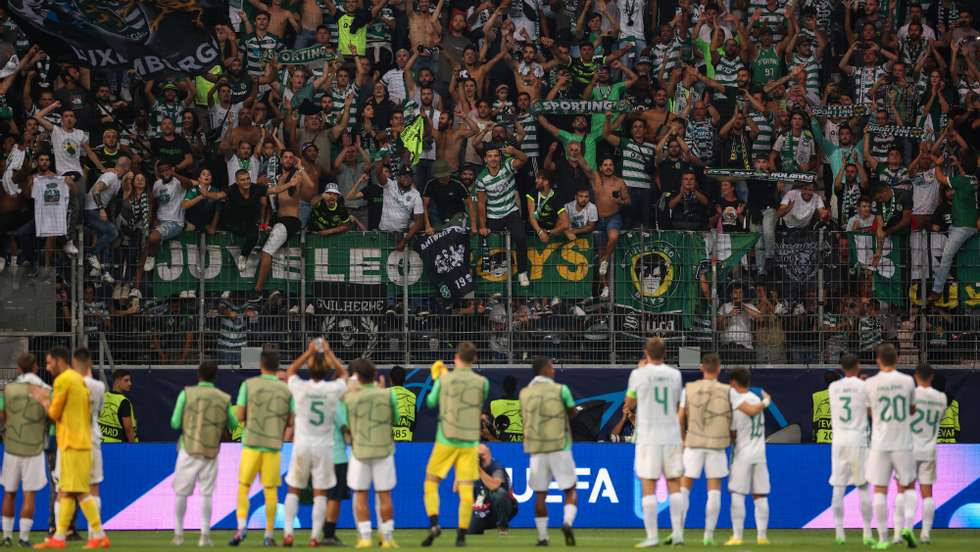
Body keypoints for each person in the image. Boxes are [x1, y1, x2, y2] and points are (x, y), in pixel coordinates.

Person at [676, 353, 768, 546]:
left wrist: (682, 439)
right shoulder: (729, 391)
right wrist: (766, 401)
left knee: (684, 488)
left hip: (693, 443)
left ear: (701, 367)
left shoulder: (689, 389)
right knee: (714, 491)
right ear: (718, 369)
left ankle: (678, 533)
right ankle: (708, 536)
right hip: (717, 445)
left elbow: (680, 417)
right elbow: (751, 411)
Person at [29, 347, 108, 549]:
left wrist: (43, 399)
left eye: (48, 362)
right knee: (68, 491)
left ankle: (96, 534)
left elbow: (54, 414)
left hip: (72, 443)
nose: (47, 367)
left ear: (59, 360)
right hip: (81, 441)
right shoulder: (81, 381)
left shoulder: (64, 380)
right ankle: (61, 537)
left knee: (76, 491)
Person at [421, 341, 490, 548]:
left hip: (446, 439)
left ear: (455, 358)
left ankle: (434, 522)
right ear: (475, 359)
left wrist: (437, 379)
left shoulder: (445, 379)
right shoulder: (482, 382)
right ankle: (461, 535)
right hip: (469, 442)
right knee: (467, 488)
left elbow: (431, 403)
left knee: (431, 482)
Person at [282, 339, 348, 547]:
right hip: (324, 448)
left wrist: (308, 352)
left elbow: (291, 370)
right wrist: (328, 353)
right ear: (326, 370)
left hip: (302, 445)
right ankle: (313, 536)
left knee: (294, 488)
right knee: (320, 492)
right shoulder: (331, 390)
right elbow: (344, 374)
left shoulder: (300, 387)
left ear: (309, 369)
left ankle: (288, 532)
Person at [229, 345, 294, 547]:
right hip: (273, 445)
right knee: (270, 490)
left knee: (244, 486)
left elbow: (239, 416)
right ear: (277, 367)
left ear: (261, 365)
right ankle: (268, 534)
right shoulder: (285, 389)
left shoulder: (248, 385)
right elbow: (291, 421)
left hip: (251, 444)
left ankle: (241, 528)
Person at [170, 360, 239, 547]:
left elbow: (175, 423)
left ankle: (178, 535)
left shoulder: (186, 394)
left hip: (188, 449)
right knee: (207, 494)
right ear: (215, 376)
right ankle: (204, 536)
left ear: (198, 375)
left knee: (181, 493)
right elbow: (233, 426)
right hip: (211, 451)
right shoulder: (224, 398)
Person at [623, 337, 684, 548]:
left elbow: (629, 402)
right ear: (665, 353)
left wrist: (642, 371)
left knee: (648, 485)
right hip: (671, 435)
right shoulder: (675, 374)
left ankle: (652, 536)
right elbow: (675, 402)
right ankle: (677, 533)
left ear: (645, 353)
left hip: (648, 436)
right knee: (674, 484)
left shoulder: (638, 375)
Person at [520, 357, 578, 547]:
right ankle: (567, 522)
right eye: (552, 367)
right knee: (570, 490)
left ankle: (543, 537)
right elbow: (571, 411)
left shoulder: (525, 393)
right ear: (545, 370)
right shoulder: (561, 390)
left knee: (540, 495)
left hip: (537, 449)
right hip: (560, 446)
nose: (554, 370)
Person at [865, 344, 917, 549]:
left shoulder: (870, 383)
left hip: (880, 443)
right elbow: (912, 409)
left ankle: (883, 538)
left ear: (878, 360)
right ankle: (905, 530)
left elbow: (868, 411)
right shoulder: (907, 381)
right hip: (903, 442)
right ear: (897, 358)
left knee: (879, 489)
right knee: (907, 487)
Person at [344, 358, 400, 548]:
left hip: (360, 451)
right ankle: (388, 538)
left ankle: (366, 538)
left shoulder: (350, 397)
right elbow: (397, 418)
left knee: (360, 494)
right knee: (384, 495)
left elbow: (344, 423)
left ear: (356, 376)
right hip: (384, 450)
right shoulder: (386, 395)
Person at [0, 353, 50, 547]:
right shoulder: (44, 390)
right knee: (29, 494)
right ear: (36, 367)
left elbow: (2, 416)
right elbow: (52, 414)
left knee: (9, 493)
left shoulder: (8, 390)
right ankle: (24, 537)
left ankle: (6, 536)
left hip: (12, 446)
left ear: (19, 368)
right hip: (35, 448)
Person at [827, 354, 874, 545]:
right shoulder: (864, 387)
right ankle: (867, 532)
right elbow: (871, 411)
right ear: (857, 365)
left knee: (838, 487)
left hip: (839, 439)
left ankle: (839, 532)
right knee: (862, 486)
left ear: (841, 367)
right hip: (857, 438)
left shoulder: (833, 387)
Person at [725, 368, 772, 547]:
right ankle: (762, 536)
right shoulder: (757, 400)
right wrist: (767, 401)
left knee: (738, 493)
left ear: (735, 383)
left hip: (742, 454)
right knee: (760, 495)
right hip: (759, 453)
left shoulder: (738, 404)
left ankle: (737, 535)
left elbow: (733, 433)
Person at [476, 143, 531, 287]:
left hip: (511, 211)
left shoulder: (507, 165)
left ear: (499, 157)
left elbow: (524, 159)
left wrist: (514, 151)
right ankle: (486, 279)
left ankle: (522, 272)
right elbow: (481, 204)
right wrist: (482, 226)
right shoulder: (481, 179)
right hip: (493, 215)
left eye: (495, 156)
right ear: (485, 159)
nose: (493, 159)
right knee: (490, 244)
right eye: (490, 156)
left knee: (520, 238)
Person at [928, 151, 978, 302]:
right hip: (968, 225)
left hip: (961, 227)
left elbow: (940, 178)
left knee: (946, 257)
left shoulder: (960, 181)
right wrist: (959, 164)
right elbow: (966, 172)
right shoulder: (974, 179)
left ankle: (936, 290)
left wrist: (937, 164)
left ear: (962, 166)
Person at [910, 363, 948, 545]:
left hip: (909, 448)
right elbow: (939, 418)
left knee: (906, 490)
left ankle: (906, 530)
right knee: (927, 493)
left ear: (916, 376)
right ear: (931, 377)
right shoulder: (941, 398)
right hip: (929, 448)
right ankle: (925, 533)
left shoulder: (910, 396)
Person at [468, 444, 517, 536]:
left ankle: (503, 526)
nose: (479, 458)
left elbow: (494, 486)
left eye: (482, 455)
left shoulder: (496, 467)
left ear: (489, 454)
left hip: (503, 507)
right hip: (483, 506)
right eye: (476, 455)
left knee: (499, 493)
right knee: (469, 531)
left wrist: (479, 470)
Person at [98, 370, 137, 443]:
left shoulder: (103, 396)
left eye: (130, 380)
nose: (130, 383)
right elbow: (128, 430)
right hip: (117, 447)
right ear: (117, 382)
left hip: (100, 444)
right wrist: (134, 448)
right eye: (126, 380)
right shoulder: (124, 402)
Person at [488, 375, 523, 443]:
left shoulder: (493, 404)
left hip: (501, 443)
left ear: (503, 388)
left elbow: (487, 423)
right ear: (516, 388)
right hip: (521, 444)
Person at [389, 366, 417, 442]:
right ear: (404, 379)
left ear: (390, 380)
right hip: (406, 442)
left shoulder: (384, 394)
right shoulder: (412, 396)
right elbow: (413, 423)